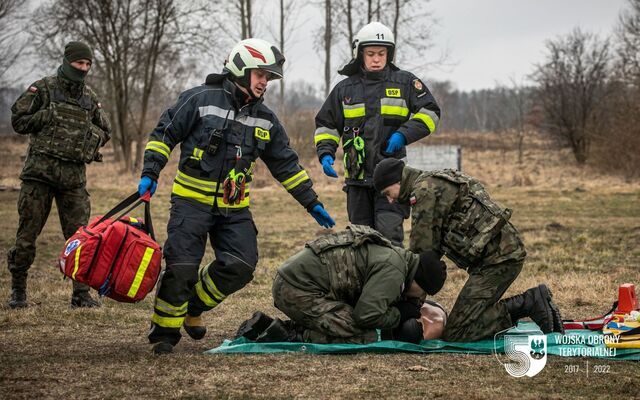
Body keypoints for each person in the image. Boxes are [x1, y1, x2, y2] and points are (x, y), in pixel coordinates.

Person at [139, 38, 336, 354]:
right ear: (241, 69)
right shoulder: (199, 99)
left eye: (268, 77)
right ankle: (164, 332)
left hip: (234, 208)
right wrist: (150, 172)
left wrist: (311, 201)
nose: (264, 82)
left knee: (242, 265)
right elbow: (164, 134)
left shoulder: (267, 119)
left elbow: (286, 164)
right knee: (182, 267)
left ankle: (193, 307)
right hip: (191, 202)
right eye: (260, 74)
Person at [372, 159, 565, 342]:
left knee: (458, 331)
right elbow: (432, 250)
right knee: (467, 317)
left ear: (398, 182)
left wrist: (408, 302)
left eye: (389, 193)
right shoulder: (432, 181)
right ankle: (530, 303)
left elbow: (422, 256)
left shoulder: (423, 192)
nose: (390, 201)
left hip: (498, 260)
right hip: (501, 254)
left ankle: (529, 303)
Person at [314, 21, 441, 246]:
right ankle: (366, 282)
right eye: (371, 53)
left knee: (389, 236)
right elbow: (327, 124)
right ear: (359, 54)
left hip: (392, 178)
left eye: (381, 54)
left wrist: (403, 135)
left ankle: (395, 281)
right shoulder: (345, 89)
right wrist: (326, 153)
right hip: (357, 180)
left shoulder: (405, 82)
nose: (376, 59)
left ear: (389, 54)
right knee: (361, 240)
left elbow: (430, 112)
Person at [7, 41, 111, 309]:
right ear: (67, 61)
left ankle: (80, 294)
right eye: (79, 63)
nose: (84, 68)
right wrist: (44, 117)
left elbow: (106, 130)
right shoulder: (43, 88)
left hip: (73, 179)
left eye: (88, 64)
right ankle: (18, 291)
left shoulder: (89, 97)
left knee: (80, 238)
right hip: (39, 175)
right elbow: (18, 120)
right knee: (27, 236)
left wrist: (90, 138)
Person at [235, 225, 447, 344]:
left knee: (351, 318)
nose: (420, 297)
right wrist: (399, 315)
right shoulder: (394, 270)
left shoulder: (397, 258)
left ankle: (268, 326)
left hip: (295, 283)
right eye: (424, 291)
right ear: (418, 280)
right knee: (364, 332)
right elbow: (365, 315)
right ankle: (290, 336)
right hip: (297, 290)